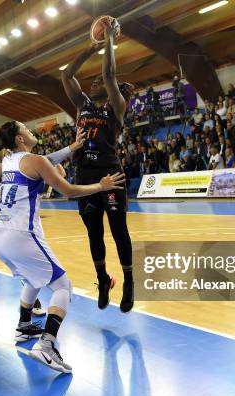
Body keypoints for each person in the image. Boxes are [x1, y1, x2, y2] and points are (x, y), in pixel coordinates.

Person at [0, 121, 124, 373]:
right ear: (20, 139)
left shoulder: (7, 162)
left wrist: (71, 147)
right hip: (20, 235)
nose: (31, 130)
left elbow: (43, 161)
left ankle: (25, 325)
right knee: (63, 286)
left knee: (33, 277)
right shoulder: (35, 161)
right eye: (26, 128)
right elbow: (67, 189)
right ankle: (46, 344)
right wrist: (101, 186)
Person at [61, 17, 135, 312]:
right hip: (85, 176)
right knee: (94, 234)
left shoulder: (116, 108)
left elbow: (109, 75)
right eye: (92, 83)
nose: (95, 83)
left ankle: (129, 282)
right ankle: (103, 279)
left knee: (119, 232)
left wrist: (109, 44)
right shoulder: (82, 106)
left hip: (110, 175)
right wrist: (92, 47)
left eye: (102, 83)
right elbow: (67, 75)